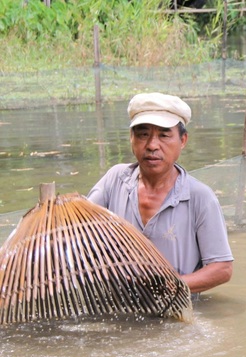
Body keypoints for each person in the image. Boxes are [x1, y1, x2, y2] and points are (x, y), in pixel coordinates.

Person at [88, 92, 233, 294]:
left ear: (183, 140)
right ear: (131, 138)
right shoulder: (115, 180)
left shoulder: (200, 197)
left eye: (164, 135)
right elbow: (81, 228)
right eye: (143, 135)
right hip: (118, 302)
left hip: (176, 310)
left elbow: (222, 269)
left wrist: (169, 286)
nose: (152, 145)